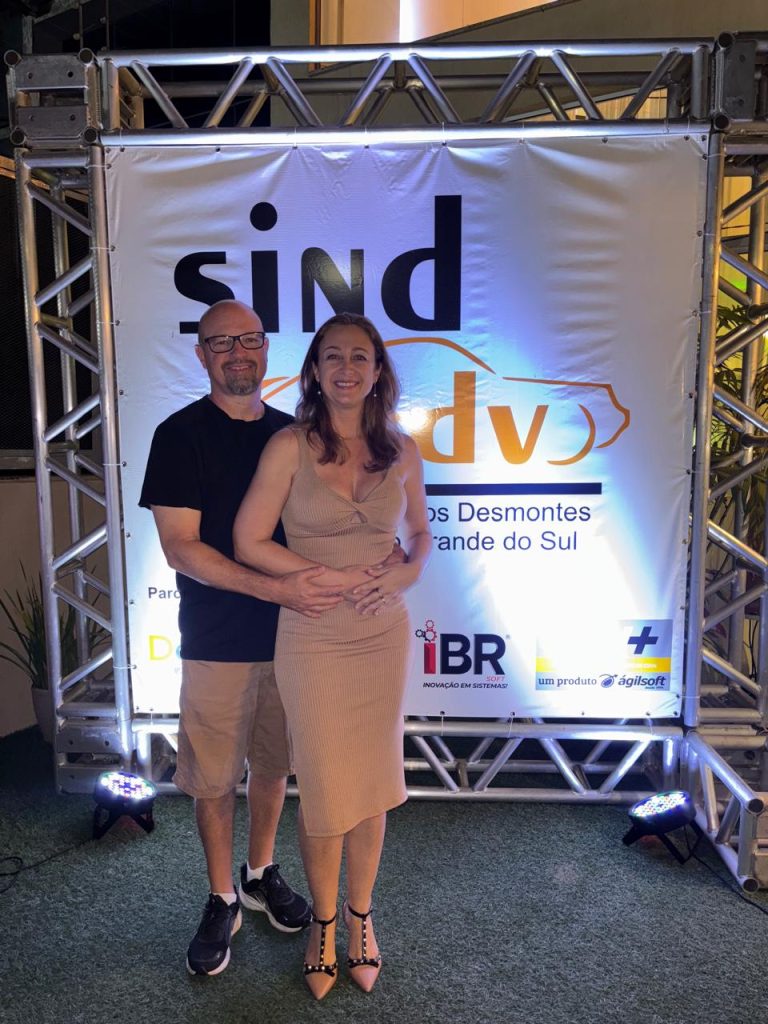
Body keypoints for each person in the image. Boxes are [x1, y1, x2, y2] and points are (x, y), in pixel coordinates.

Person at [139, 299, 346, 977]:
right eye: (221, 342)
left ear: (265, 349)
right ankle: (220, 895)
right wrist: (273, 589)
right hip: (216, 640)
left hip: (296, 640)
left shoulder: (296, 436)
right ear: (201, 354)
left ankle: (259, 873)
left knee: (274, 765)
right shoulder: (179, 435)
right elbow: (181, 548)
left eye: (249, 340)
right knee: (213, 779)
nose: (237, 353)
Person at [233, 311, 432, 999]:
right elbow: (249, 540)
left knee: (372, 782)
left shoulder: (402, 449)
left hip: (382, 635)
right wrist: (324, 577)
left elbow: (420, 534)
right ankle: (322, 923)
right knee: (322, 783)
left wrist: (407, 572)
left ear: (378, 372)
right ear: (315, 371)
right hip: (313, 632)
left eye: (360, 357)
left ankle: (360, 918)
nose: (347, 368)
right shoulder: (288, 446)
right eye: (333, 356)